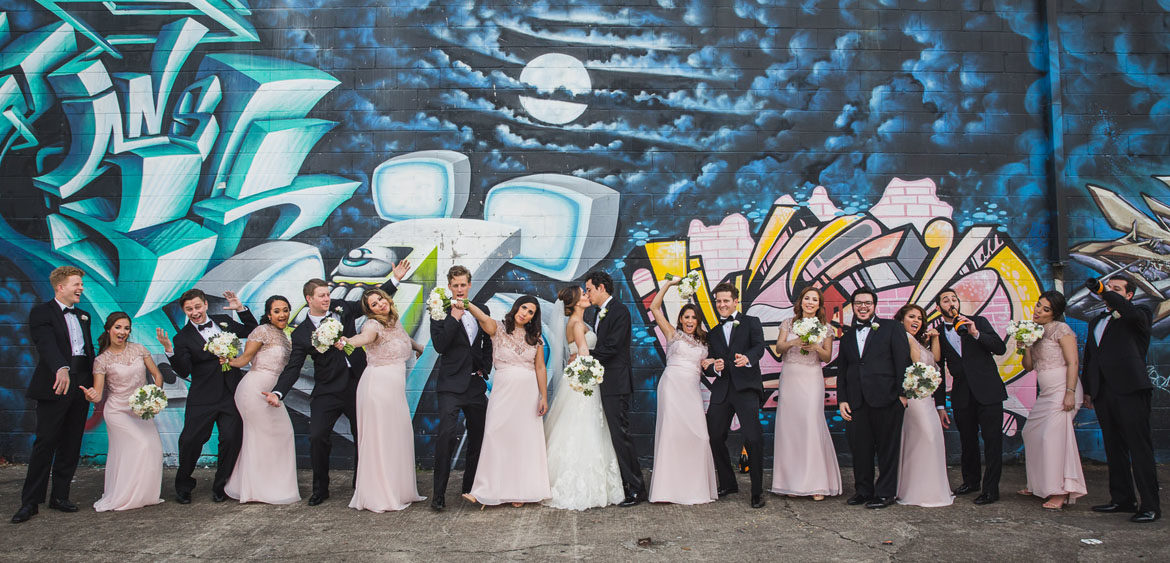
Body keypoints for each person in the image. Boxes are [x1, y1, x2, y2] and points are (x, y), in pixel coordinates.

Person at [265, 260, 408, 506]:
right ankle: (321, 488)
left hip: (358, 383)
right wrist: (278, 392)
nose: (327, 299)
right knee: (317, 436)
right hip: (327, 390)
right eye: (321, 296)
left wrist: (394, 280)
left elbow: (369, 303)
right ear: (309, 299)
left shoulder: (342, 308)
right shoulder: (300, 334)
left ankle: (362, 485)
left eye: (328, 294)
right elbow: (293, 368)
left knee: (362, 434)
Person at [156, 288, 257, 504]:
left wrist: (241, 309)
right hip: (203, 397)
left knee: (230, 439)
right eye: (189, 309)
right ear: (185, 310)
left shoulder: (223, 322)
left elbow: (253, 330)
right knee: (190, 440)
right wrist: (169, 351)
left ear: (205, 305)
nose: (195, 312)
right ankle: (183, 485)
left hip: (231, 393)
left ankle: (221, 485)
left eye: (198, 307)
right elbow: (183, 371)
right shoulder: (182, 337)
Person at [12, 266, 96, 523]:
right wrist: (61, 368)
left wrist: (93, 382)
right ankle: (30, 502)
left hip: (80, 385)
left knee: (71, 443)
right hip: (55, 384)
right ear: (60, 286)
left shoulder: (84, 316)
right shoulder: (42, 312)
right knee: (46, 442)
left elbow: (87, 351)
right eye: (76, 284)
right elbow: (45, 343)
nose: (81, 288)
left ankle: (60, 496)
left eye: (81, 284)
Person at [1081, 275, 1161, 523]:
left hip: (1130, 390)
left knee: (1139, 448)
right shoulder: (1096, 320)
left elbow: (1130, 313)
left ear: (1128, 295)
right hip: (1104, 393)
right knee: (1114, 448)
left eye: (1116, 289)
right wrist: (1088, 390)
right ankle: (1122, 499)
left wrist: (1105, 291)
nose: (1109, 292)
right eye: (1108, 288)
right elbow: (1090, 358)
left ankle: (1150, 505)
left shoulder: (1139, 314)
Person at [462, 296, 551, 507]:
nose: (525, 313)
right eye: (524, 308)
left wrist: (543, 396)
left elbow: (540, 368)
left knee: (522, 440)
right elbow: (482, 317)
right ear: (516, 307)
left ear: (533, 318)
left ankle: (520, 492)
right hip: (503, 392)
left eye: (531, 312)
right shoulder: (498, 329)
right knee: (495, 434)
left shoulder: (535, 338)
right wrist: (466, 303)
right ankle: (484, 490)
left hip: (527, 394)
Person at [343, 289, 426, 512]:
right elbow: (365, 339)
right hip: (377, 387)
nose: (380, 304)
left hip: (394, 390)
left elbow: (402, 337)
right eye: (373, 304)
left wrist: (418, 347)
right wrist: (349, 341)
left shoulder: (393, 321)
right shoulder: (372, 325)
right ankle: (379, 494)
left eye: (380, 299)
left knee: (396, 437)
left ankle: (399, 488)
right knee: (380, 438)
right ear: (369, 311)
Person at [542, 285, 624, 510]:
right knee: (585, 427)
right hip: (584, 381)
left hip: (581, 379)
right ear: (576, 302)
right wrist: (594, 370)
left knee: (581, 427)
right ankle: (581, 485)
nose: (587, 295)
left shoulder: (579, 322)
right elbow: (583, 355)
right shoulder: (577, 325)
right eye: (583, 293)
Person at [836, 287, 911, 509]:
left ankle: (885, 493)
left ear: (874, 305)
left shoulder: (892, 327)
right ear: (853, 306)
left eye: (867, 303)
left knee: (888, 449)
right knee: (860, 449)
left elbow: (902, 361)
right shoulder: (847, 335)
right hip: (857, 401)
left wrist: (902, 396)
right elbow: (843, 369)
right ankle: (863, 490)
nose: (863, 307)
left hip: (887, 398)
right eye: (858, 303)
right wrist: (842, 399)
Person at [646, 277, 717, 505]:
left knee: (699, 435)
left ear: (697, 320)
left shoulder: (705, 342)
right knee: (671, 433)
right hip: (672, 386)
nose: (689, 320)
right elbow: (654, 307)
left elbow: (711, 365)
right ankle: (667, 490)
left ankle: (694, 488)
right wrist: (670, 284)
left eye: (693, 317)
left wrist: (711, 363)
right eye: (686, 317)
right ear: (680, 320)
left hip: (691, 390)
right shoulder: (672, 334)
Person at [223, 296, 300, 505]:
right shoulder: (262, 331)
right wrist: (226, 359)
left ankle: (270, 484)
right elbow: (244, 359)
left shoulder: (285, 336)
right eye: (277, 311)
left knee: (282, 433)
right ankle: (258, 488)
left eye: (285, 310)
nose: (282, 314)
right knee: (260, 437)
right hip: (254, 390)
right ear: (268, 314)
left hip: (272, 393)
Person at [429, 265, 493, 511]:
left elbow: (487, 341)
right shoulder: (438, 311)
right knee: (446, 437)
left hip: (475, 385)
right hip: (450, 387)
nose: (459, 289)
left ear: (469, 285)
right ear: (449, 286)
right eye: (455, 285)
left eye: (463, 285)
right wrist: (453, 318)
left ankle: (470, 488)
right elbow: (440, 345)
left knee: (479, 436)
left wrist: (484, 367)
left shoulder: (481, 309)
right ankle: (439, 494)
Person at [87, 312, 165, 512]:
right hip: (117, 411)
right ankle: (125, 495)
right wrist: (91, 396)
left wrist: (153, 396)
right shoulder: (101, 360)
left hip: (141, 409)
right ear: (109, 329)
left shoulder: (139, 350)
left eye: (126, 328)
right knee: (141, 445)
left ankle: (144, 495)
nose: (122, 332)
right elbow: (98, 392)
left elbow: (157, 375)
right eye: (118, 327)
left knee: (153, 449)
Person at [936, 287, 1007, 505]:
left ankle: (990, 489)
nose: (951, 303)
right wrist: (940, 406)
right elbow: (937, 369)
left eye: (954, 299)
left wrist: (975, 332)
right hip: (962, 394)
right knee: (968, 441)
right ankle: (971, 481)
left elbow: (1000, 348)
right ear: (939, 308)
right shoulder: (938, 332)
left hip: (988, 391)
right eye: (946, 300)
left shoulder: (979, 322)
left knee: (993, 441)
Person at [1017, 290, 1086, 510]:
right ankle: (1038, 485)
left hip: (1062, 389)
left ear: (1054, 313)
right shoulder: (1034, 331)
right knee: (1031, 433)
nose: (1038, 310)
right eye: (1038, 305)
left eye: (1045, 309)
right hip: (1046, 393)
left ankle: (1060, 492)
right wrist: (1026, 346)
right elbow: (1028, 367)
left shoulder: (1061, 329)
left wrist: (1070, 392)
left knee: (1053, 438)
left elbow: (1073, 362)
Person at [770, 286, 841, 501]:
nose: (810, 303)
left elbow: (827, 356)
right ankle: (791, 482)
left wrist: (814, 347)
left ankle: (816, 483)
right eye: (807, 299)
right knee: (791, 428)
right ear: (801, 302)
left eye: (815, 300)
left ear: (819, 305)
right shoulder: (788, 324)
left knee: (811, 424)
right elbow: (778, 349)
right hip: (790, 376)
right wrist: (794, 342)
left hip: (811, 377)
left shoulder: (826, 328)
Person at [702, 282, 767, 509]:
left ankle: (757, 491)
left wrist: (747, 358)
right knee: (715, 435)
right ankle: (729, 483)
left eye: (726, 301)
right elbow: (707, 364)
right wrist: (715, 368)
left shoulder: (751, 323)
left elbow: (760, 347)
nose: (722, 305)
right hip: (722, 391)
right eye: (718, 301)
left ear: (735, 301)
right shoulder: (713, 333)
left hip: (746, 389)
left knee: (753, 438)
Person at [585, 271, 647, 506]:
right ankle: (624, 483)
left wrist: (586, 355)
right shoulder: (598, 312)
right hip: (606, 381)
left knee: (621, 436)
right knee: (615, 435)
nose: (587, 294)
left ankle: (637, 489)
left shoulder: (619, 311)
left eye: (589, 289)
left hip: (616, 383)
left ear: (601, 288)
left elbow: (612, 347)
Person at [894, 304, 953, 508]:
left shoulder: (918, 341)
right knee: (924, 438)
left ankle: (931, 488)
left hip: (927, 398)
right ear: (902, 320)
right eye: (911, 317)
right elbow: (916, 364)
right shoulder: (905, 339)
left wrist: (934, 339)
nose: (916, 321)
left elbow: (935, 360)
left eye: (920, 318)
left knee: (932, 439)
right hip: (914, 398)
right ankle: (917, 490)